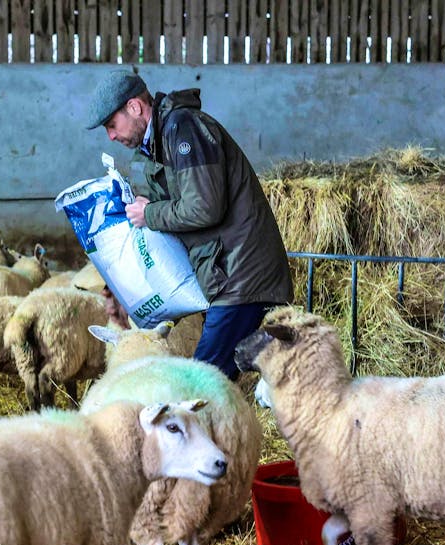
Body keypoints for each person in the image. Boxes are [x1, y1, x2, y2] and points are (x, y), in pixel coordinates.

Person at [86, 69, 293, 379]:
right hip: (228, 276)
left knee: (198, 383)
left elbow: (205, 207)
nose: (111, 137)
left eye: (111, 125)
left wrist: (151, 213)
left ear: (134, 107)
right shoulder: (160, 143)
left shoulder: (184, 130)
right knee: (214, 382)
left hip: (242, 278)